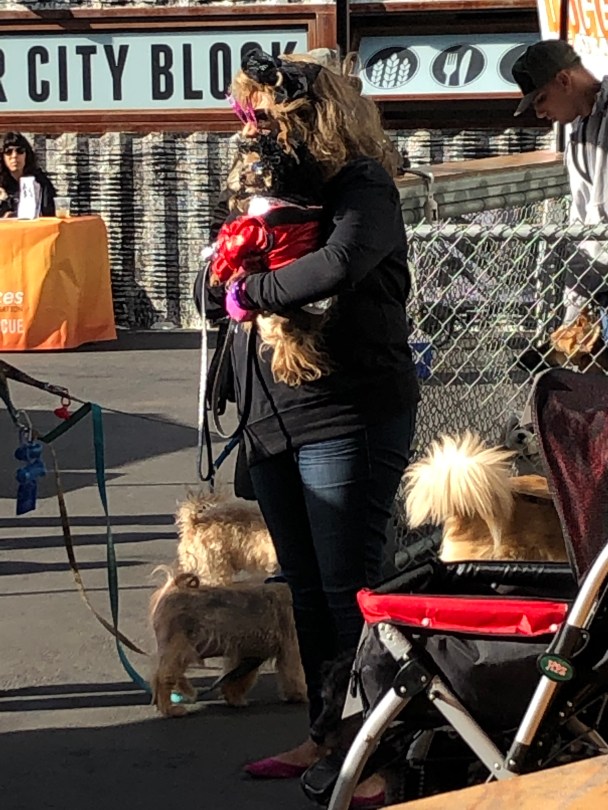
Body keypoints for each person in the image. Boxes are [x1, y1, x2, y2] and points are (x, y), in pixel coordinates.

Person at [196, 49, 419, 807]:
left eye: (260, 114)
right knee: (307, 591)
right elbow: (213, 278)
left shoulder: (361, 184)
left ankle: (379, 753)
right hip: (271, 416)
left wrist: (249, 292)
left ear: (306, 115)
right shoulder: (260, 188)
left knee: (349, 589)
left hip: (346, 409)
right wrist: (222, 281)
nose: (249, 128)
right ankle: (327, 735)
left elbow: (339, 263)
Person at [512, 40, 608, 343]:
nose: (540, 113)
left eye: (541, 99)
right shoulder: (578, 134)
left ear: (564, 80)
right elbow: (583, 223)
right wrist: (573, 311)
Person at [0, 131, 56, 218]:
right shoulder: (1, 184)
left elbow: (50, 213)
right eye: (8, 151)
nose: (14, 156)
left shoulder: (40, 181)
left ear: (27, 154)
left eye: (20, 151)